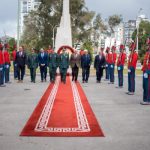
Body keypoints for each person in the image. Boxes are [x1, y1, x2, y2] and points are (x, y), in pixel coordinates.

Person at [140, 37, 150, 105]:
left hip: (148, 70)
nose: (146, 44)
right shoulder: (147, 52)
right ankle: (145, 99)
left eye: (147, 43)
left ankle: (147, 99)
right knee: (144, 85)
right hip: (145, 70)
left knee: (147, 85)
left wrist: (148, 71)